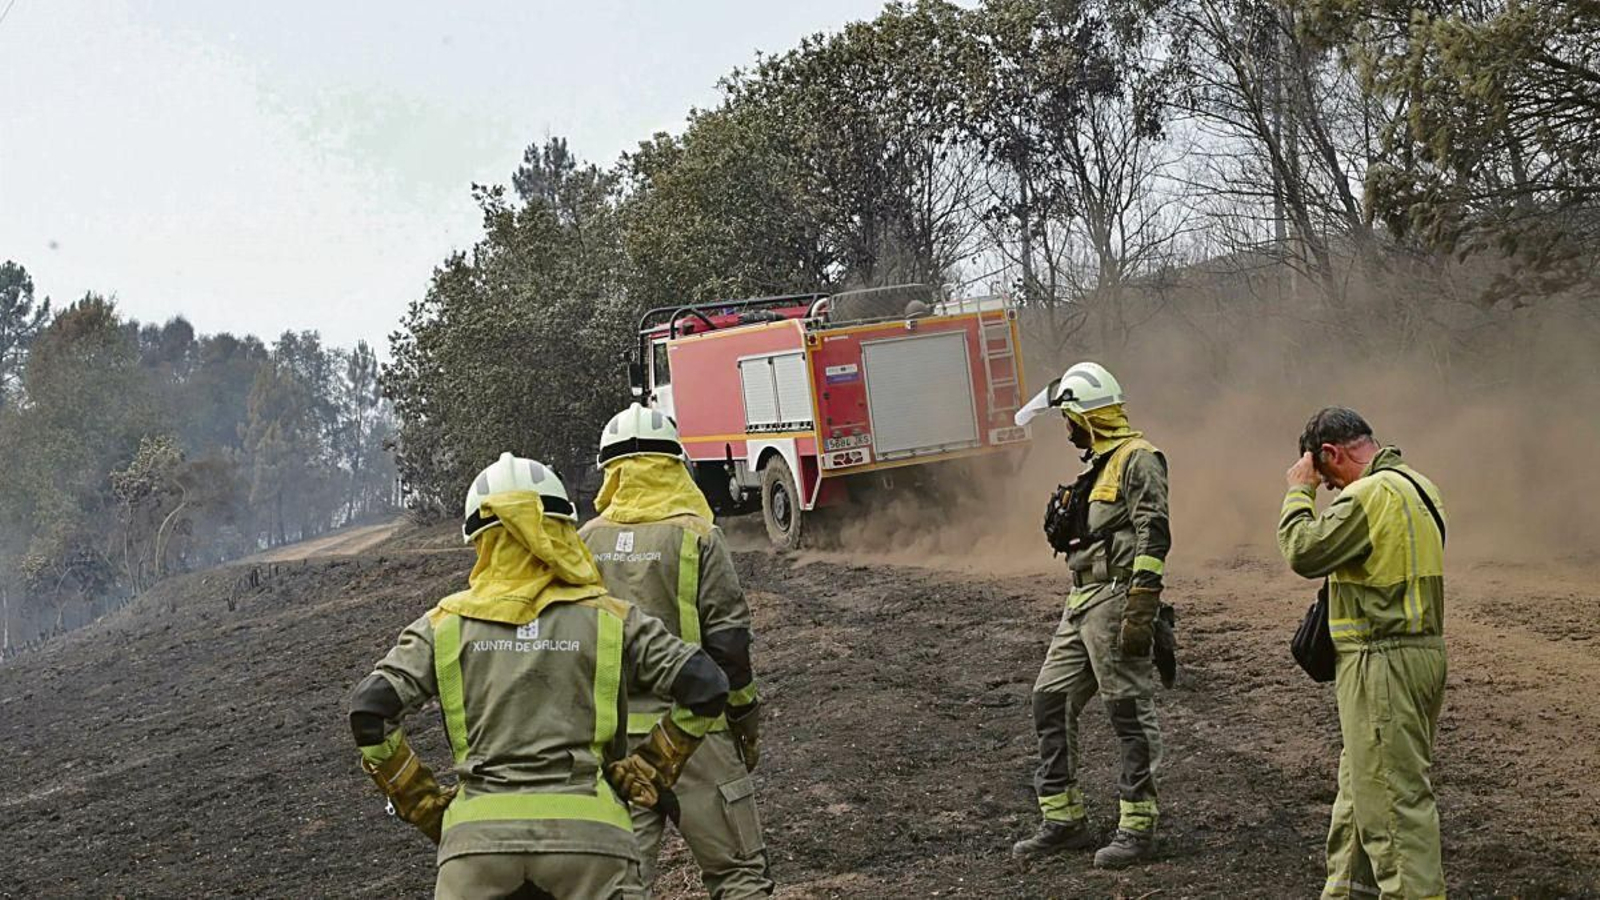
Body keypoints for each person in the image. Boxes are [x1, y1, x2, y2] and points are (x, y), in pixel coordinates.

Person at [346, 452, 729, 899]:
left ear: (478, 540)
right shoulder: (612, 618)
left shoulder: (441, 626)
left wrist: (423, 803)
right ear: (563, 529)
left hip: (477, 848)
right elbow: (706, 686)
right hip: (592, 840)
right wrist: (651, 766)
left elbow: (369, 711)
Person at [579, 404, 773, 898]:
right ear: (675, 463)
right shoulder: (698, 536)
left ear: (610, 469)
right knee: (739, 877)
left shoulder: (583, 544)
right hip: (698, 735)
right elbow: (729, 644)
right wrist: (744, 720)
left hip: (615, 743)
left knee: (618, 886)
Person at [1279, 407, 1447, 900]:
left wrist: (1299, 491)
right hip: (1420, 655)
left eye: (1325, 476)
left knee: (1393, 814)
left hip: (1380, 662)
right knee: (1361, 796)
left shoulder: (1369, 495)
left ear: (1329, 453)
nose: (1329, 488)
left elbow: (1303, 550)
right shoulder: (1419, 486)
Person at [1010, 362, 1172, 868]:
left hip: (1116, 598)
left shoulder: (1138, 459)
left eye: (1069, 418)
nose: (1066, 429)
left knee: (1127, 711)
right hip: (1080, 600)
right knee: (1049, 700)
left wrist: (1143, 604)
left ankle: (1138, 827)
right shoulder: (1098, 464)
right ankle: (1063, 821)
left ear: (1087, 416)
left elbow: (1154, 532)